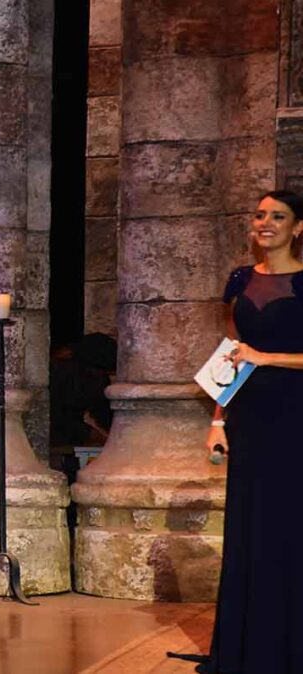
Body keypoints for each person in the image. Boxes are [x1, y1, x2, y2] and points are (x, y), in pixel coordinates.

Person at [203, 190, 303, 674]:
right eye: (260, 215)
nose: (266, 223)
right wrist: (218, 420)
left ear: (297, 228)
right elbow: (231, 352)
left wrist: (267, 358)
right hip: (250, 418)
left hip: (296, 415)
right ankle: (250, 650)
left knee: (291, 527)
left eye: (278, 216)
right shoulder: (240, 280)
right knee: (251, 528)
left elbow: (260, 354)